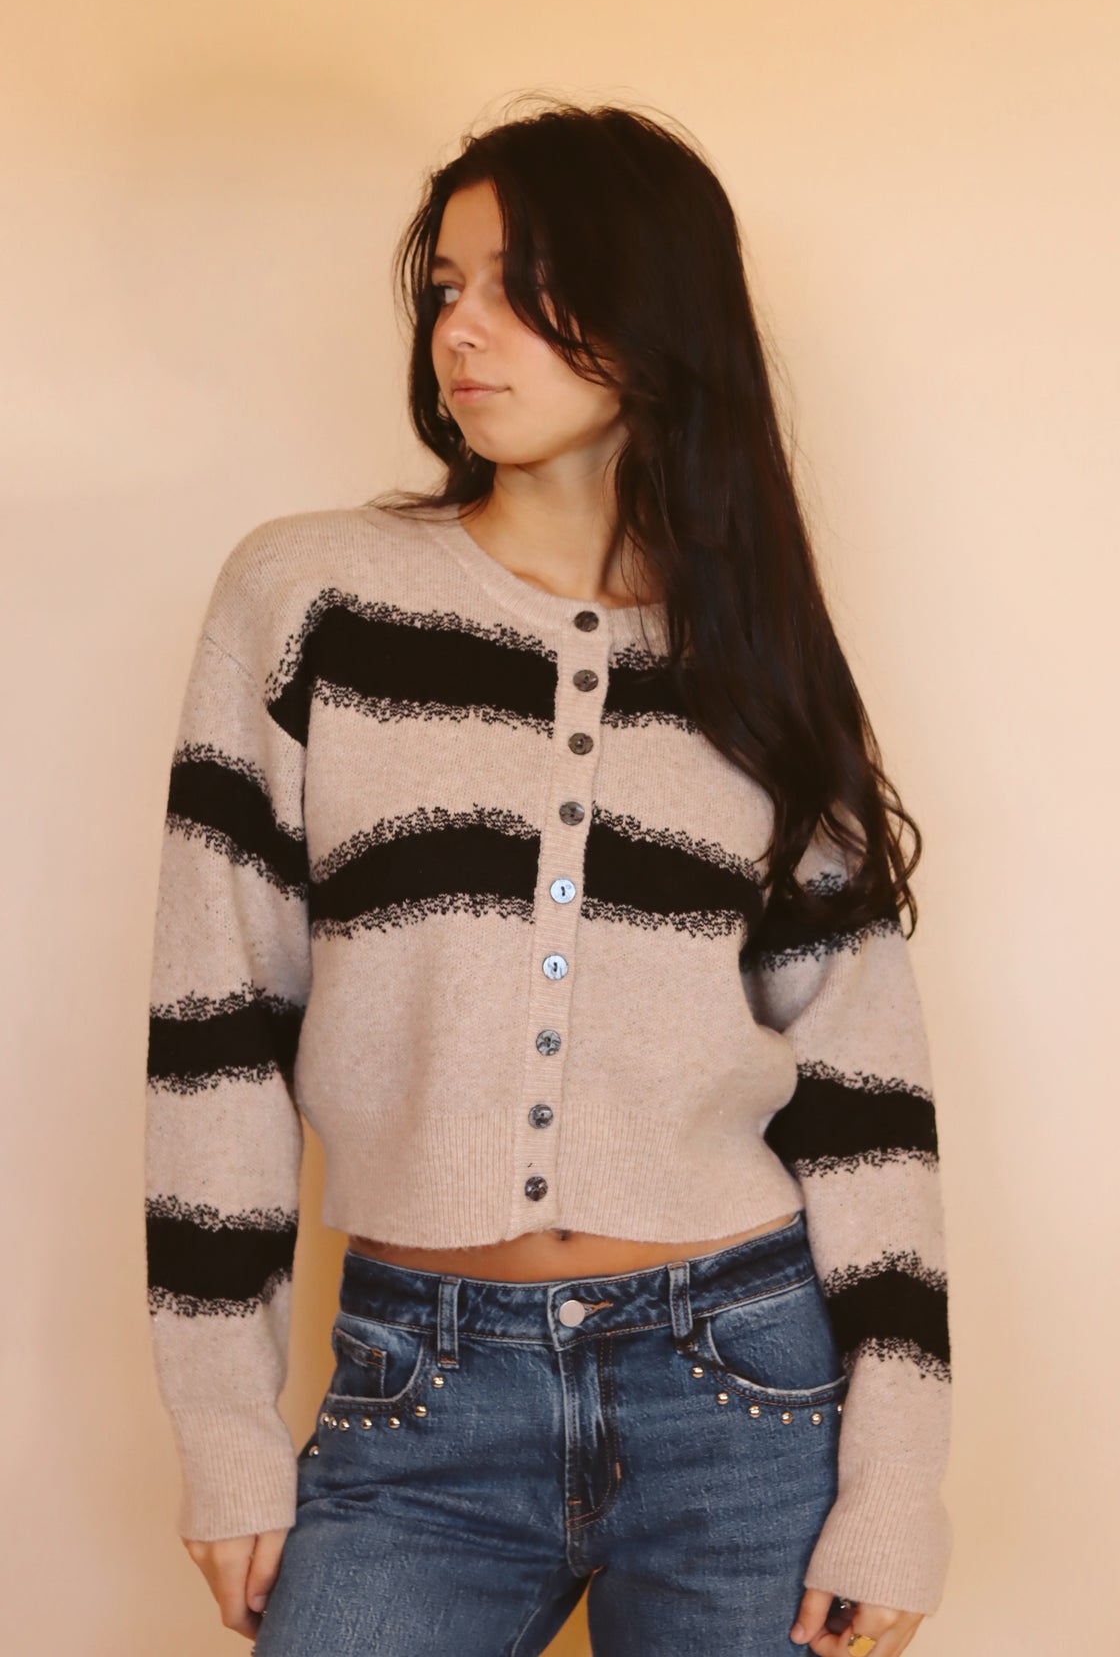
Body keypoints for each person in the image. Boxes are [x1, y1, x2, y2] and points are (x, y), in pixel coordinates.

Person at [144, 100, 952, 1656]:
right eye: (446, 287)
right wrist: (225, 1430)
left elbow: (868, 1090)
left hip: (746, 1390)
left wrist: (899, 1482)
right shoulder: (309, 600)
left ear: (654, 312)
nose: (462, 330)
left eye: (521, 286)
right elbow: (214, 1035)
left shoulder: (762, 660)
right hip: (416, 1392)